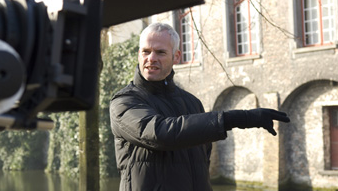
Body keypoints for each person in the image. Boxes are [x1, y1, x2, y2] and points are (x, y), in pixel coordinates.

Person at [110, 23, 290, 191]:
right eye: (146, 51)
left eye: (160, 52)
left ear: (176, 57)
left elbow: (203, 161)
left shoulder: (192, 103)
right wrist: (239, 118)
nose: (151, 58)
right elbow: (160, 133)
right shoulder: (125, 101)